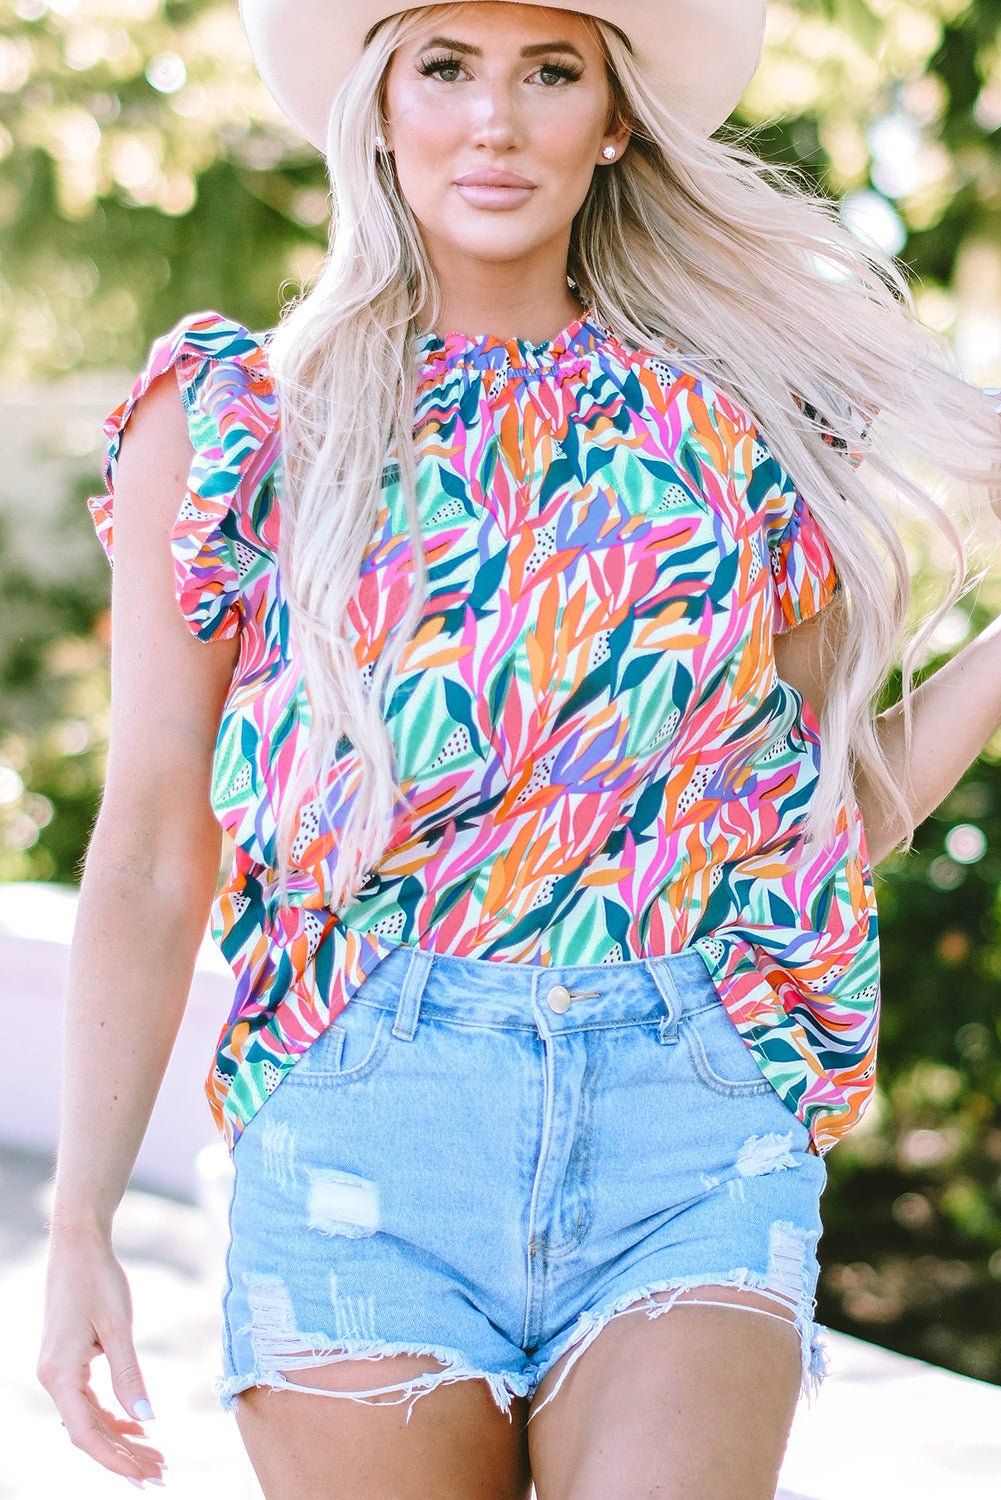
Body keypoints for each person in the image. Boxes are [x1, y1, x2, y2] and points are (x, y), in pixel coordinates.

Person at [36, 2, 1001, 1496]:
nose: (494, 120)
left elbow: (812, 815)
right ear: (379, 108)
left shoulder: (734, 419)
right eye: (446, 69)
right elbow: (158, 843)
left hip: (687, 1112)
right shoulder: (243, 422)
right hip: (368, 1125)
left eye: (548, 73)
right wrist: (78, 1222)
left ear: (612, 120)